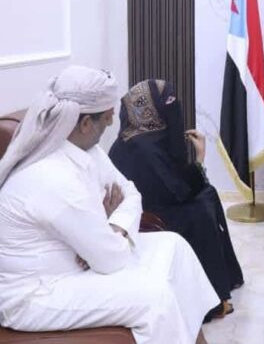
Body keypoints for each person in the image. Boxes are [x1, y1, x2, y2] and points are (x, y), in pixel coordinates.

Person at [0, 66, 218, 344]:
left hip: (83, 261)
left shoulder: (85, 150)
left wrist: (113, 226)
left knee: (174, 246)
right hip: (38, 294)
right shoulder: (50, 175)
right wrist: (101, 240)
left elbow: (131, 193)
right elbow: (110, 261)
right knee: (155, 298)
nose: (114, 120)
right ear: (85, 124)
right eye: (106, 117)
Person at [108, 79, 243, 318]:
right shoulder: (143, 148)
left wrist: (196, 170)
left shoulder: (140, 139)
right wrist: (200, 159)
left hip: (157, 205)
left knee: (208, 194)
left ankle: (224, 280)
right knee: (200, 211)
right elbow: (178, 192)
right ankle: (210, 301)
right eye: (167, 103)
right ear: (151, 110)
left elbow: (172, 183)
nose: (174, 110)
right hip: (149, 218)